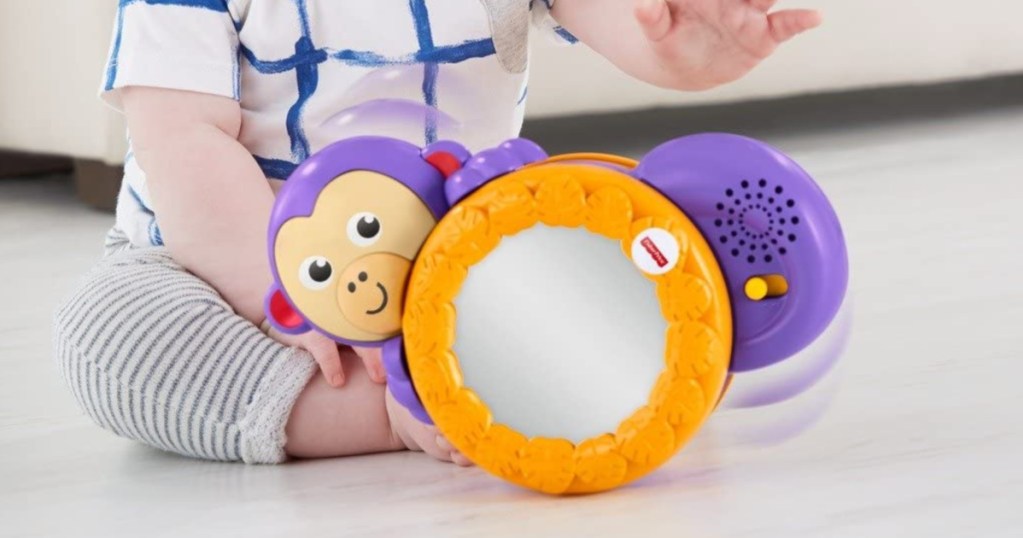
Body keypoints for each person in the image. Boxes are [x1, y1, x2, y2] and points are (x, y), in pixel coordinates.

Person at [54, 0, 820, 465]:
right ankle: (395, 410)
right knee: (110, 335)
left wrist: (684, 46)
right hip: (232, 274)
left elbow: (628, 21)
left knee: (591, 226)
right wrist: (289, 301)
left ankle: (548, 361)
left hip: (462, 266)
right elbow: (184, 143)